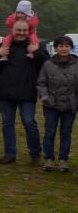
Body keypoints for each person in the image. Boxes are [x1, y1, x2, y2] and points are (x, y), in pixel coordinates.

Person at [0, 19, 48, 165]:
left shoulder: (36, 45)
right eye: (18, 30)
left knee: (29, 123)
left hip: (27, 92)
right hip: (6, 93)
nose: (21, 33)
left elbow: (47, 64)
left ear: (29, 31)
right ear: (12, 30)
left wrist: (36, 52)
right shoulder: (3, 46)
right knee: (7, 124)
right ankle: (10, 154)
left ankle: (35, 154)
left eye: (24, 30)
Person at [37, 35, 78, 171]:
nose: (64, 49)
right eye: (61, 46)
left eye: (66, 46)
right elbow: (41, 83)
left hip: (70, 105)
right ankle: (48, 159)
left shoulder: (77, 64)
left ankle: (63, 160)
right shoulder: (48, 65)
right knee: (50, 132)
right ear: (55, 48)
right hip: (51, 105)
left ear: (71, 48)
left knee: (66, 133)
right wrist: (45, 97)